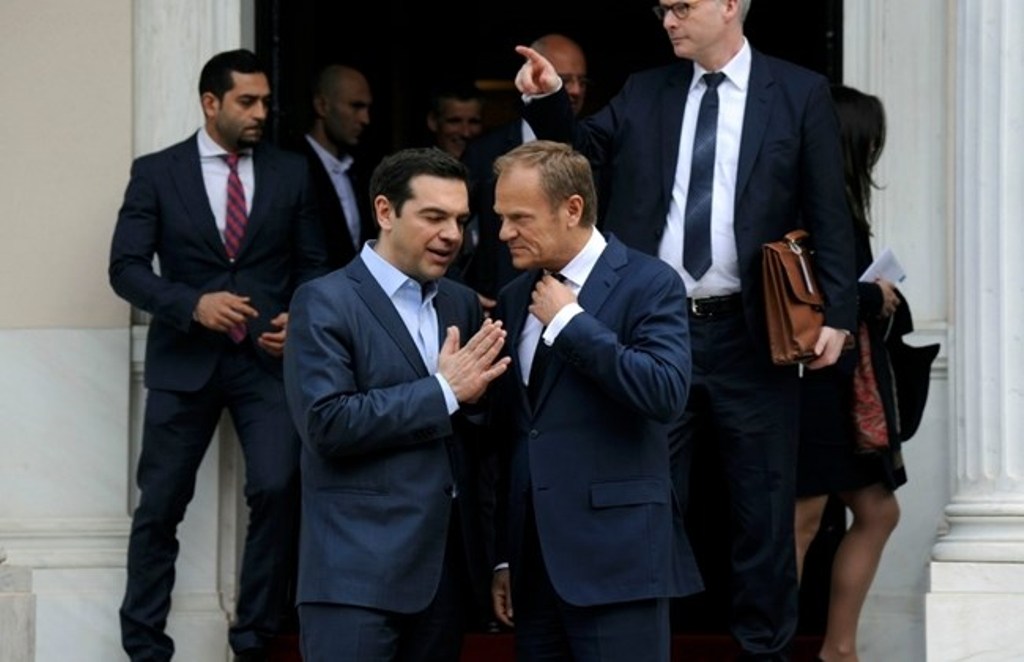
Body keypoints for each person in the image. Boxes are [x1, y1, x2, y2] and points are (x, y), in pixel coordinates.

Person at [512, 1, 858, 658]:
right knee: (645, 504)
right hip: (654, 329)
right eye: (662, 8)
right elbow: (581, 158)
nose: (667, 19)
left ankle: (765, 651)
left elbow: (827, 204)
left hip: (753, 334)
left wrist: (838, 312)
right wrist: (551, 103)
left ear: (729, 6)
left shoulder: (798, 92)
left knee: (764, 512)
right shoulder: (647, 89)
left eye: (682, 6)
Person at [109, 49, 329, 661]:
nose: (261, 112)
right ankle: (145, 646)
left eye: (265, 101)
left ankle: (254, 637)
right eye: (247, 102)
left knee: (280, 489)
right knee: (160, 506)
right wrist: (191, 305)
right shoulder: (156, 172)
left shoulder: (290, 172)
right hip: (186, 360)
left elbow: (313, 263)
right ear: (211, 103)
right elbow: (125, 269)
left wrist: (300, 314)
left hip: (265, 360)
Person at [282, 147, 511, 662]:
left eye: (460, 219)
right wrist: (444, 391)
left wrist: (497, 556)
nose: (452, 234)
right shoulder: (324, 300)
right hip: (353, 579)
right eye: (434, 217)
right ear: (385, 212)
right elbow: (326, 423)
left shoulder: (462, 302)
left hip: (445, 579)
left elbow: (483, 440)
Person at [489, 140, 702, 661]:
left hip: (620, 562)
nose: (503, 233)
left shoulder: (650, 283)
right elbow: (515, 432)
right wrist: (503, 557)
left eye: (519, 217)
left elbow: (664, 391)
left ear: (573, 209)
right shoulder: (518, 294)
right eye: (500, 216)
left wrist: (570, 323)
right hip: (534, 568)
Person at [793, 85, 903, 662]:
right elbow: (805, 289)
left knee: (872, 510)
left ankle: (838, 647)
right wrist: (870, 294)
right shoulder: (813, 202)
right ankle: (786, 646)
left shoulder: (825, 200)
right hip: (814, 382)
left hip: (836, 386)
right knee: (802, 519)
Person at [458, 33, 590, 309]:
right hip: (500, 304)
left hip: (579, 303)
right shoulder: (484, 153)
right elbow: (455, 224)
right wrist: (460, 290)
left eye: (582, 81)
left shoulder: (596, 149)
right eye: (565, 80)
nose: (576, 90)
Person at [299, 63, 378, 269]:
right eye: (356, 106)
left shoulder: (362, 170)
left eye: (367, 108)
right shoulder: (292, 168)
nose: (365, 119)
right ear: (322, 106)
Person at [426, 83, 484, 160]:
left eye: (473, 122)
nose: (465, 133)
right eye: (455, 121)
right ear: (433, 121)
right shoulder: (415, 169)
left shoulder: (494, 169)